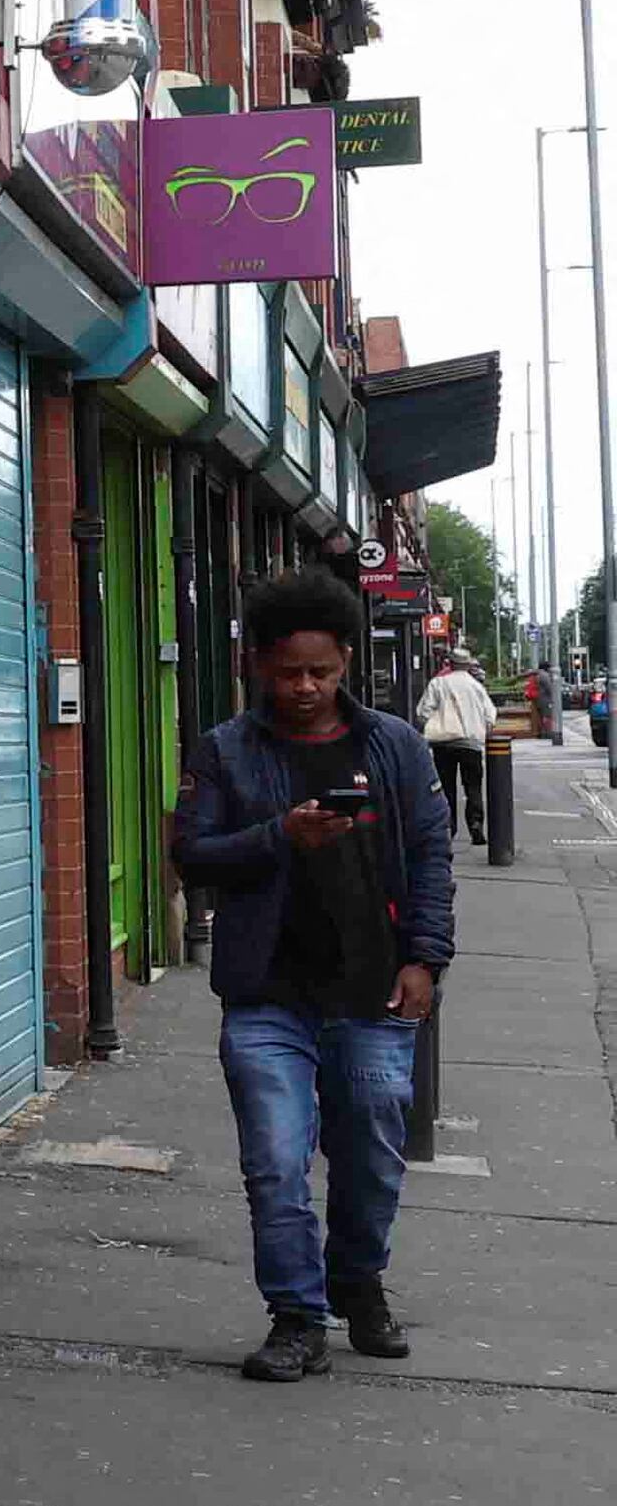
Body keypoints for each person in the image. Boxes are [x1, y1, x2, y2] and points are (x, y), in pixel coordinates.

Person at [175, 566, 456, 1383]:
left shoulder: (393, 745)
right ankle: (296, 1317)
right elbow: (191, 852)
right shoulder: (226, 750)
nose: (305, 686)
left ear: (344, 663)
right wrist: (277, 836)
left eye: (322, 671)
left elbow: (431, 856)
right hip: (267, 994)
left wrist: (426, 958)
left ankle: (359, 1283)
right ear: (259, 664)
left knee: (372, 1153)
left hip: (372, 988)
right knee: (274, 1159)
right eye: (289, 670)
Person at [419, 647, 500, 831]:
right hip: (471, 743)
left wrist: (434, 724)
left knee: (446, 786)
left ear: (450, 664)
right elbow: (490, 715)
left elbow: (423, 712)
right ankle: (476, 822)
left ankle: (449, 825)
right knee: (473, 785)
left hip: (443, 743)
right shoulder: (476, 687)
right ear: (468, 665)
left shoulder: (438, 684)